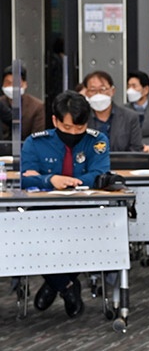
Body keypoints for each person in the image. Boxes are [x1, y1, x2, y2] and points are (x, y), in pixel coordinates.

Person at [21, 90, 110, 317]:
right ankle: (67, 286)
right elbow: (25, 178)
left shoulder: (97, 141)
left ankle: (55, 283)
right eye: (67, 128)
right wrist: (49, 180)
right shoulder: (36, 142)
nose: (74, 133)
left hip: (85, 210)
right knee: (26, 236)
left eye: (79, 129)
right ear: (55, 121)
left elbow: (100, 173)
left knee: (91, 239)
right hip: (43, 212)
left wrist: (73, 183)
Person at [83, 71, 143, 152]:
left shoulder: (130, 117)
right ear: (87, 93)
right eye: (93, 90)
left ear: (112, 91)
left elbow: (136, 149)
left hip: (121, 163)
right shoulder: (81, 117)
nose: (98, 94)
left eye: (103, 89)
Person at [0, 65, 46, 140]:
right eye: (8, 83)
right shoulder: (1, 103)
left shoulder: (37, 107)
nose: (12, 86)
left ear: (24, 84)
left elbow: (38, 137)